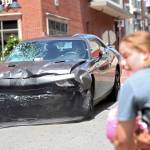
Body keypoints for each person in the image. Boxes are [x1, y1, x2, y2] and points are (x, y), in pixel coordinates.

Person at [113, 31, 150, 150]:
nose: (122, 63)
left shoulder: (133, 84)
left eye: (126, 56)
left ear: (144, 54)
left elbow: (123, 142)